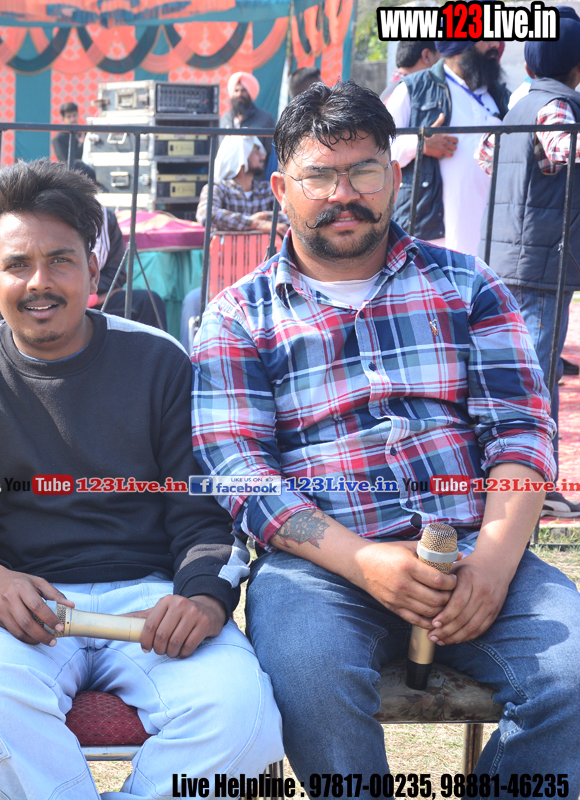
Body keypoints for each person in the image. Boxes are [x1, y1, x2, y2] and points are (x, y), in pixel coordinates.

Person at [192, 80, 580, 783]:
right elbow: (239, 470)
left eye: (364, 171)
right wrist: (363, 560)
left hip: (474, 546)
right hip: (321, 567)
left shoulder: (467, 285)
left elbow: (521, 430)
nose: (343, 194)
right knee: (308, 679)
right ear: (281, 189)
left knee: (574, 675)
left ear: (394, 176)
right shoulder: (239, 316)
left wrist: (494, 565)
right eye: (318, 176)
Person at [0, 159, 284, 800]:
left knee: (246, 720)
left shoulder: (158, 360)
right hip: (18, 606)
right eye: (17, 264)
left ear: (93, 270)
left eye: (60, 261)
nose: (39, 283)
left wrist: (203, 598)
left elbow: (203, 510)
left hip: (153, 601)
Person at [477, 19, 580, 518]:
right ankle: (531, 493)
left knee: (516, 374)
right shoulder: (558, 106)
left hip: (507, 257)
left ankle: (519, 486)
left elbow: (487, 158)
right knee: (536, 379)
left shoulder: (518, 104)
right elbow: (564, 150)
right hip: (541, 262)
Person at [385, 41, 510, 254]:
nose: (495, 45)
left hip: (493, 236)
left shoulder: (499, 96)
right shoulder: (414, 89)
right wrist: (418, 144)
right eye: (486, 37)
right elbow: (378, 147)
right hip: (435, 238)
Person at [71, 161, 167, 331]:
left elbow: (117, 273)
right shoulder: (51, 218)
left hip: (96, 294)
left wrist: (93, 294)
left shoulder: (105, 218)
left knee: (148, 301)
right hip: (62, 297)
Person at [197, 135, 289, 237]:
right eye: (256, 152)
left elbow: (292, 214)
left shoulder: (267, 189)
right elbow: (206, 214)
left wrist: (263, 216)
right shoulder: (218, 188)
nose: (262, 157)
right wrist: (256, 224)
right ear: (240, 156)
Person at [221, 71, 277, 162]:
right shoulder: (225, 119)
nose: (239, 94)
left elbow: (270, 152)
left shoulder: (265, 118)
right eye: (236, 90)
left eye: (243, 91)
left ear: (250, 92)